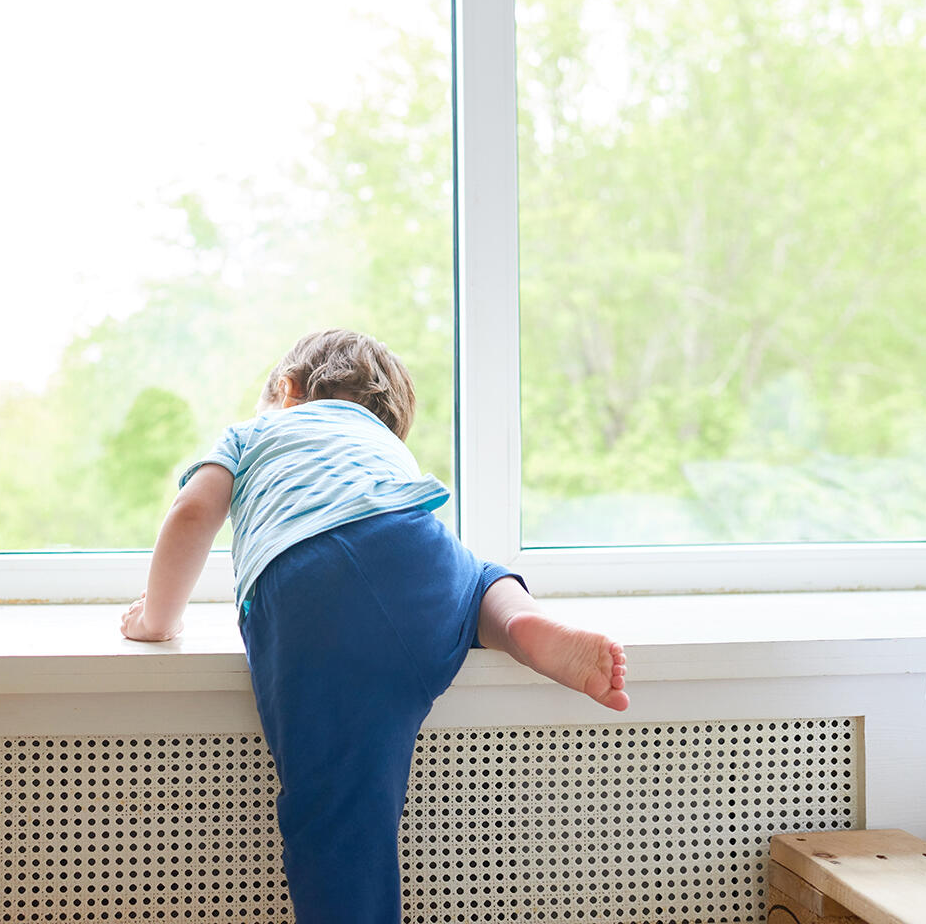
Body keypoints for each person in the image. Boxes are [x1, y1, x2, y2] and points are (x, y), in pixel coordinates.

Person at [120, 328, 628, 924]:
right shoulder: (377, 442)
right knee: (478, 579)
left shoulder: (255, 432)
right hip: (416, 547)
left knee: (339, 813)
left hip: (308, 583)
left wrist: (157, 621)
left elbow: (193, 512)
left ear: (286, 390)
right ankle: (523, 625)